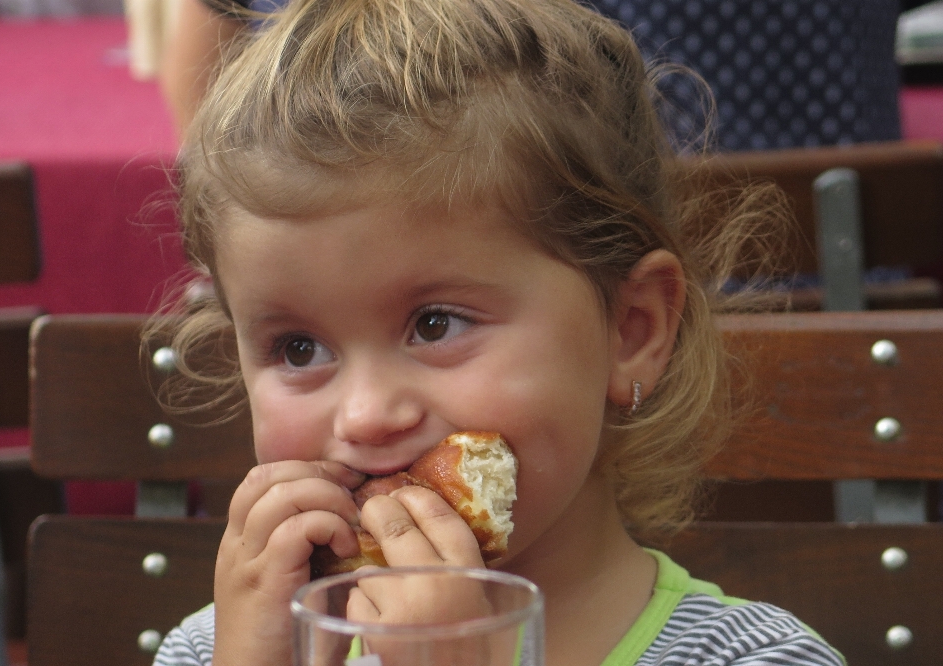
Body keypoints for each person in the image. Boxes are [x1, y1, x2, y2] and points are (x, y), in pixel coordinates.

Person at [152, 0, 844, 664]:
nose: (365, 415)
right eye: (298, 348)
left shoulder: (758, 658)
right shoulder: (213, 650)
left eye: (434, 324)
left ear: (631, 331)